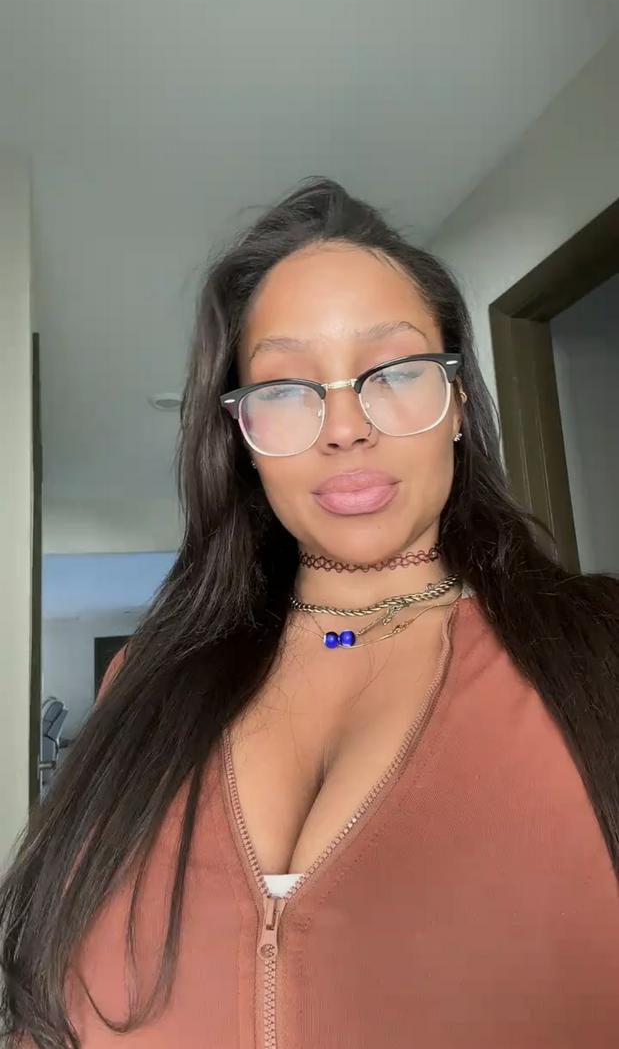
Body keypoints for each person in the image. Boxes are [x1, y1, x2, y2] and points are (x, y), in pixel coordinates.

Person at [1, 177, 618, 1049]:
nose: (343, 426)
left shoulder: (599, 653)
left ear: (457, 404)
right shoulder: (145, 683)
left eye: (393, 372)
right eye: (286, 388)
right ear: (241, 439)